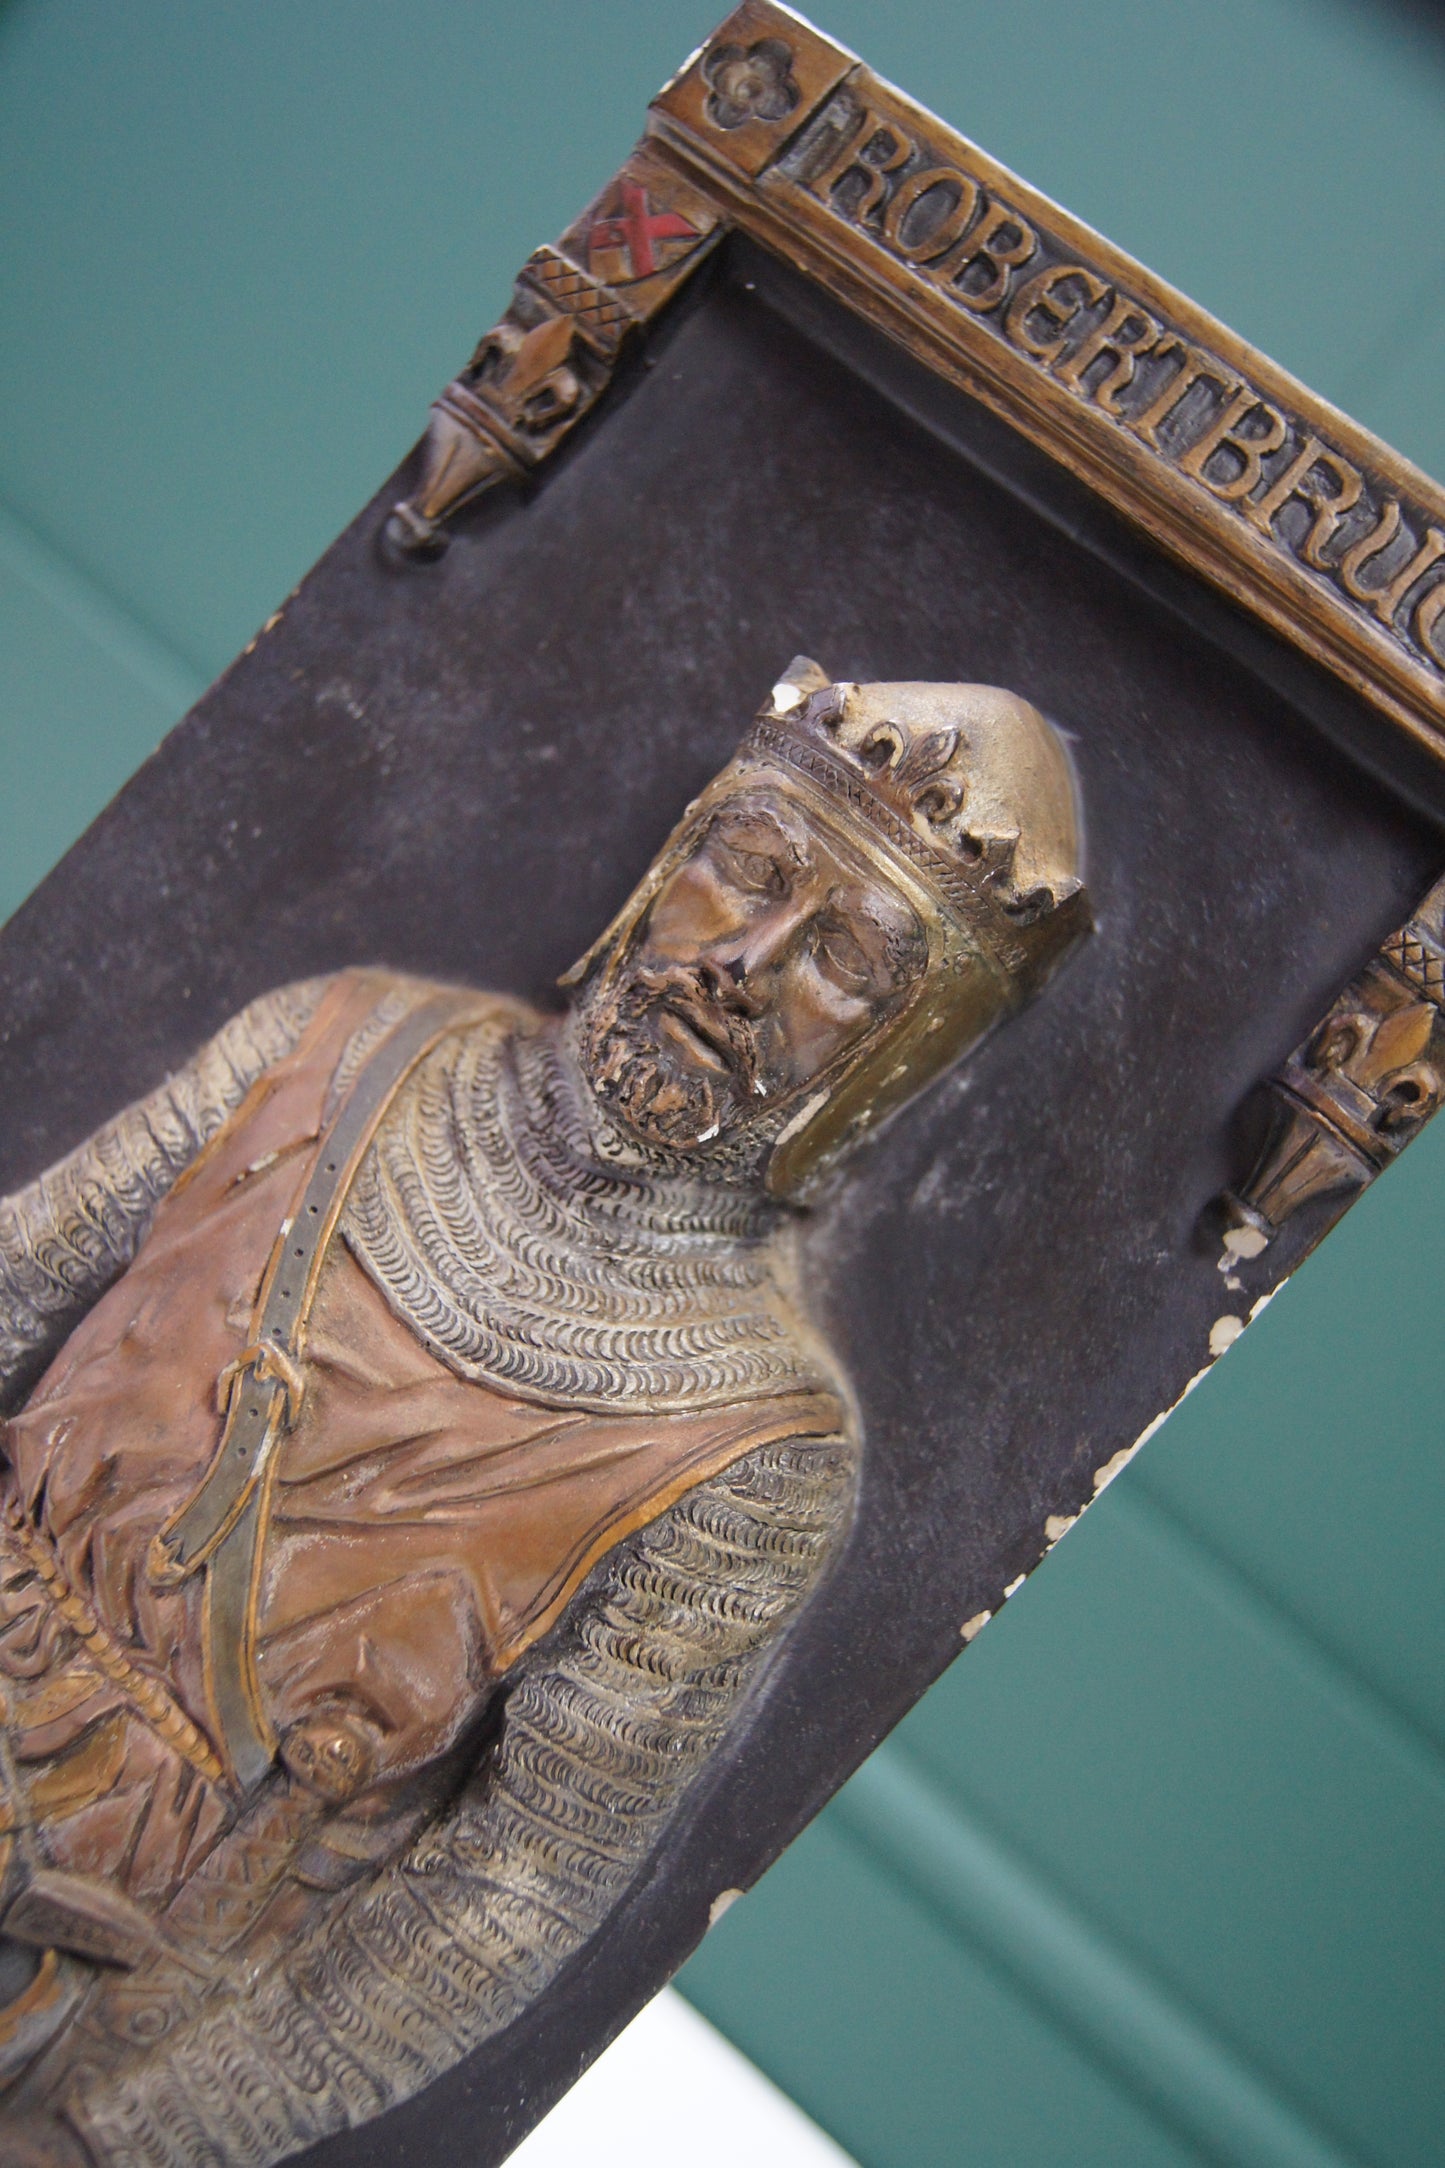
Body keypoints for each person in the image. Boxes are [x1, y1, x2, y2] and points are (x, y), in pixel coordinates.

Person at [0, 660, 1086, 2166]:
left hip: (82, 1958)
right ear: (675, 857)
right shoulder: (337, 1046)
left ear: (898, 1054)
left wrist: (126, 2139)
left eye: (843, 957)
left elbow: (508, 1891)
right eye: (751, 870)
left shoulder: (748, 1457)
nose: (747, 959)